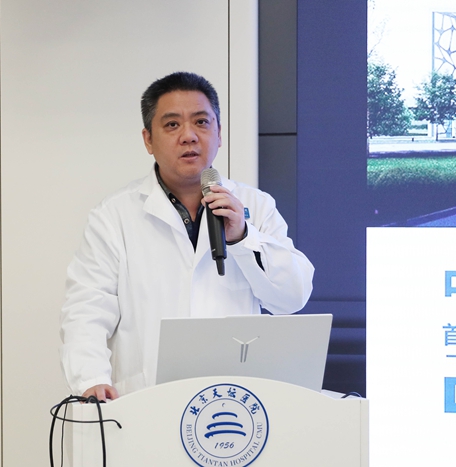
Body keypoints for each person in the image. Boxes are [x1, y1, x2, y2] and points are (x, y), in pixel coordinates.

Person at [60, 72, 314, 401]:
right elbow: (87, 309)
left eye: (201, 122)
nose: (189, 136)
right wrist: (91, 378)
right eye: (172, 125)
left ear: (219, 134)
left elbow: (292, 297)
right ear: (148, 140)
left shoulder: (256, 206)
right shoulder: (113, 216)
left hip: (233, 402)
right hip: (146, 401)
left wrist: (243, 237)